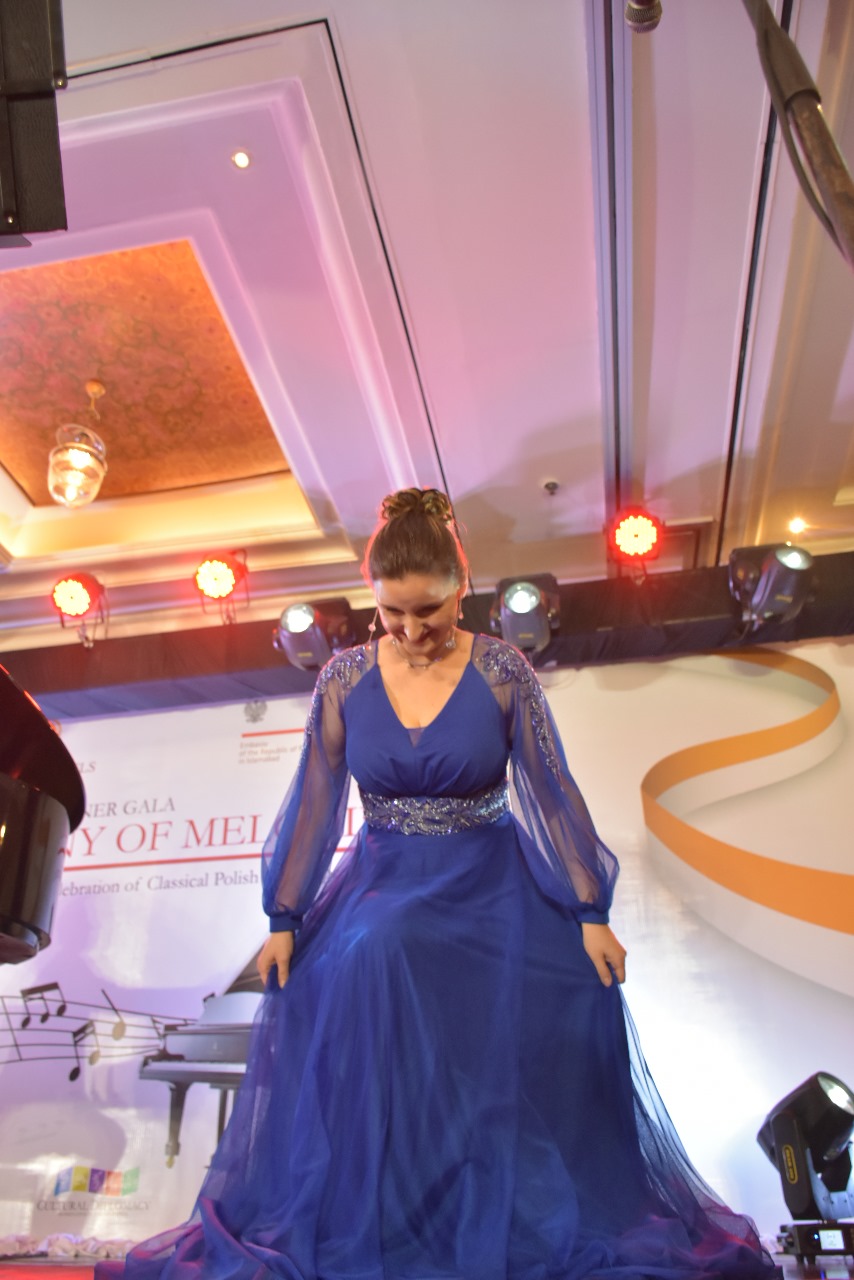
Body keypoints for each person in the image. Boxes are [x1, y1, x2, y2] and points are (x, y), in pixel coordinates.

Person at [99, 488, 779, 1280]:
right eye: (392, 613)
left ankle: (509, 1211)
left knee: (571, 993)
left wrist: (589, 909)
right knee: (372, 951)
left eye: (428, 610)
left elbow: (550, 789)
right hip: (384, 882)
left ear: (463, 587)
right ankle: (391, 1222)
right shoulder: (344, 679)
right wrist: (283, 917)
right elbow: (315, 797)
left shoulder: (502, 670)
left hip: (490, 883)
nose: (411, 629)